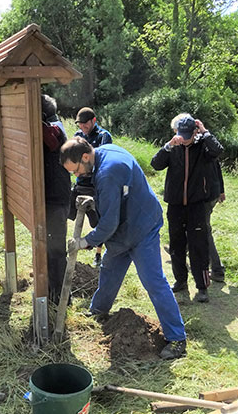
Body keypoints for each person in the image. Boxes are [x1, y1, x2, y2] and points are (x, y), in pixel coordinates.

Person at [60, 136, 187, 360]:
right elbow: (113, 202)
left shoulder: (108, 172)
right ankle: (98, 311)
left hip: (141, 227)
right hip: (123, 230)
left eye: (76, 170)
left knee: (153, 281)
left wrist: (86, 241)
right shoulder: (103, 152)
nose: (76, 176)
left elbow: (109, 222)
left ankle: (177, 339)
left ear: (86, 156)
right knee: (109, 268)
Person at [150, 114, 225, 303]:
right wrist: (168, 147)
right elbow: (155, 164)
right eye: (180, 135)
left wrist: (205, 132)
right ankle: (180, 281)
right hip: (175, 205)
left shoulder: (203, 147)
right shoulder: (173, 148)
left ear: (195, 131)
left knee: (199, 247)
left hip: (197, 205)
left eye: (188, 135)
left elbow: (218, 151)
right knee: (176, 246)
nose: (184, 140)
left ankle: (202, 287)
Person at [70, 107, 113, 266]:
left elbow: (103, 160)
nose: (82, 127)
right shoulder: (78, 136)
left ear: (94, 121)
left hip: (96, 185)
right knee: (69, 213)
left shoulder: (103, 136)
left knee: (100, 222)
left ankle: (99, 255)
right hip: (80, 183)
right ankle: (70, 251)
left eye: (85, 124)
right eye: (80, 124)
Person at [41, 94, 70, 304]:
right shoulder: (53, 124)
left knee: (57, 249)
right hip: (54, 196)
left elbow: (49, 140)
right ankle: (55, 290)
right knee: (51, 248)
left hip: (56, 198)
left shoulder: (52, 130)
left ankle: (60, 296)